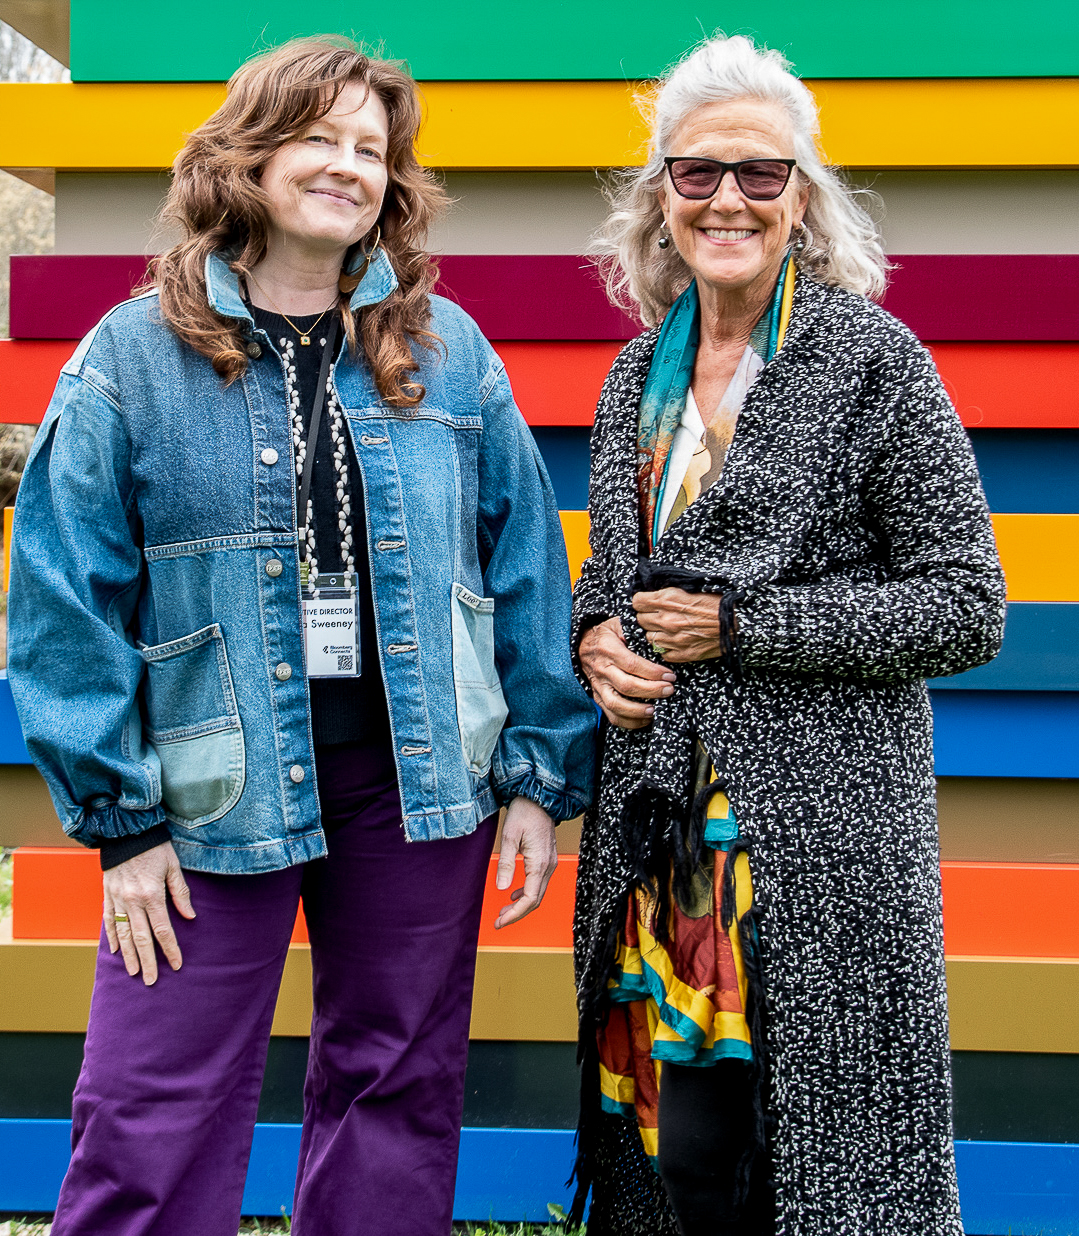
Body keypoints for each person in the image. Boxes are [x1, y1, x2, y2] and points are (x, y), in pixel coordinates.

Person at [7, 37, 595, 1236]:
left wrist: (536, 773)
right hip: (202, 793)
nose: (346, 167)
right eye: (317, 138)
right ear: (250, 155)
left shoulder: (449, 354)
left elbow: (526, 562)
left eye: (370, 150)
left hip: (416, 785)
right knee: (148, 1102)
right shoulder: (130, 360)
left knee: (396, 1085)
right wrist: (120, 825)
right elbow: (63, 598)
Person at [568, 34, 1004, 1236]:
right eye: (696, 172)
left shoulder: (875, 366)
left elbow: (965, 605)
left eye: (759, 174)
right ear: (660, 196)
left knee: (808, 1163)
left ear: (800, 198)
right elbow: (609, 580)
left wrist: (744, 627)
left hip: (820, 856)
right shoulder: (628, 380)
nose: (726, 199)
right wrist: (594, 636)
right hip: (659, 843)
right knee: (678, 1154)